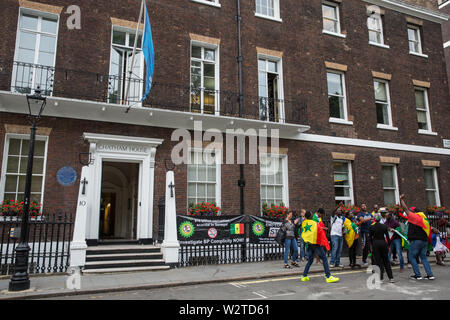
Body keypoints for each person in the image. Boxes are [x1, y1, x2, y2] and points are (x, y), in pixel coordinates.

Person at [400, 194, 435, 280]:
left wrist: (401, 200)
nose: (409, 213)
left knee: (412, 257)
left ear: (414, 212)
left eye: (411, 211)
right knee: (423, 257)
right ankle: (430, 275)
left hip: (416, 241)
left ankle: (418, 275)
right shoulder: (424, 219)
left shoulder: (415, 217)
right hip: (424, 241)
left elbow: (405, 209)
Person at [300, 211, 339, 283]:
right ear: (311, 216)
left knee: (310, 260)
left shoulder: (304, 224)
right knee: (324, 258)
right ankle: (328, 276)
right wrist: (325, 243)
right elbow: (321, 234)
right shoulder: (315, 224)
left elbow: (303, 234)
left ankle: (304, 276)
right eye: (312, 215)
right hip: (316, 244)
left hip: (309, 244)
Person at [370, 213, 395, 283]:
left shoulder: (371, 227)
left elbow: (370, 239)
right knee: (386, 261)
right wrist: (389, 246)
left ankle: (381, 278)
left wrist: (372, 246)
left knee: (378, 262)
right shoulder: (384, 226)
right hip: (383, 243)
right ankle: (391, 278)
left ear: (374, 219)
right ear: (380, 218)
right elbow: (387, 237)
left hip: (375, 244)